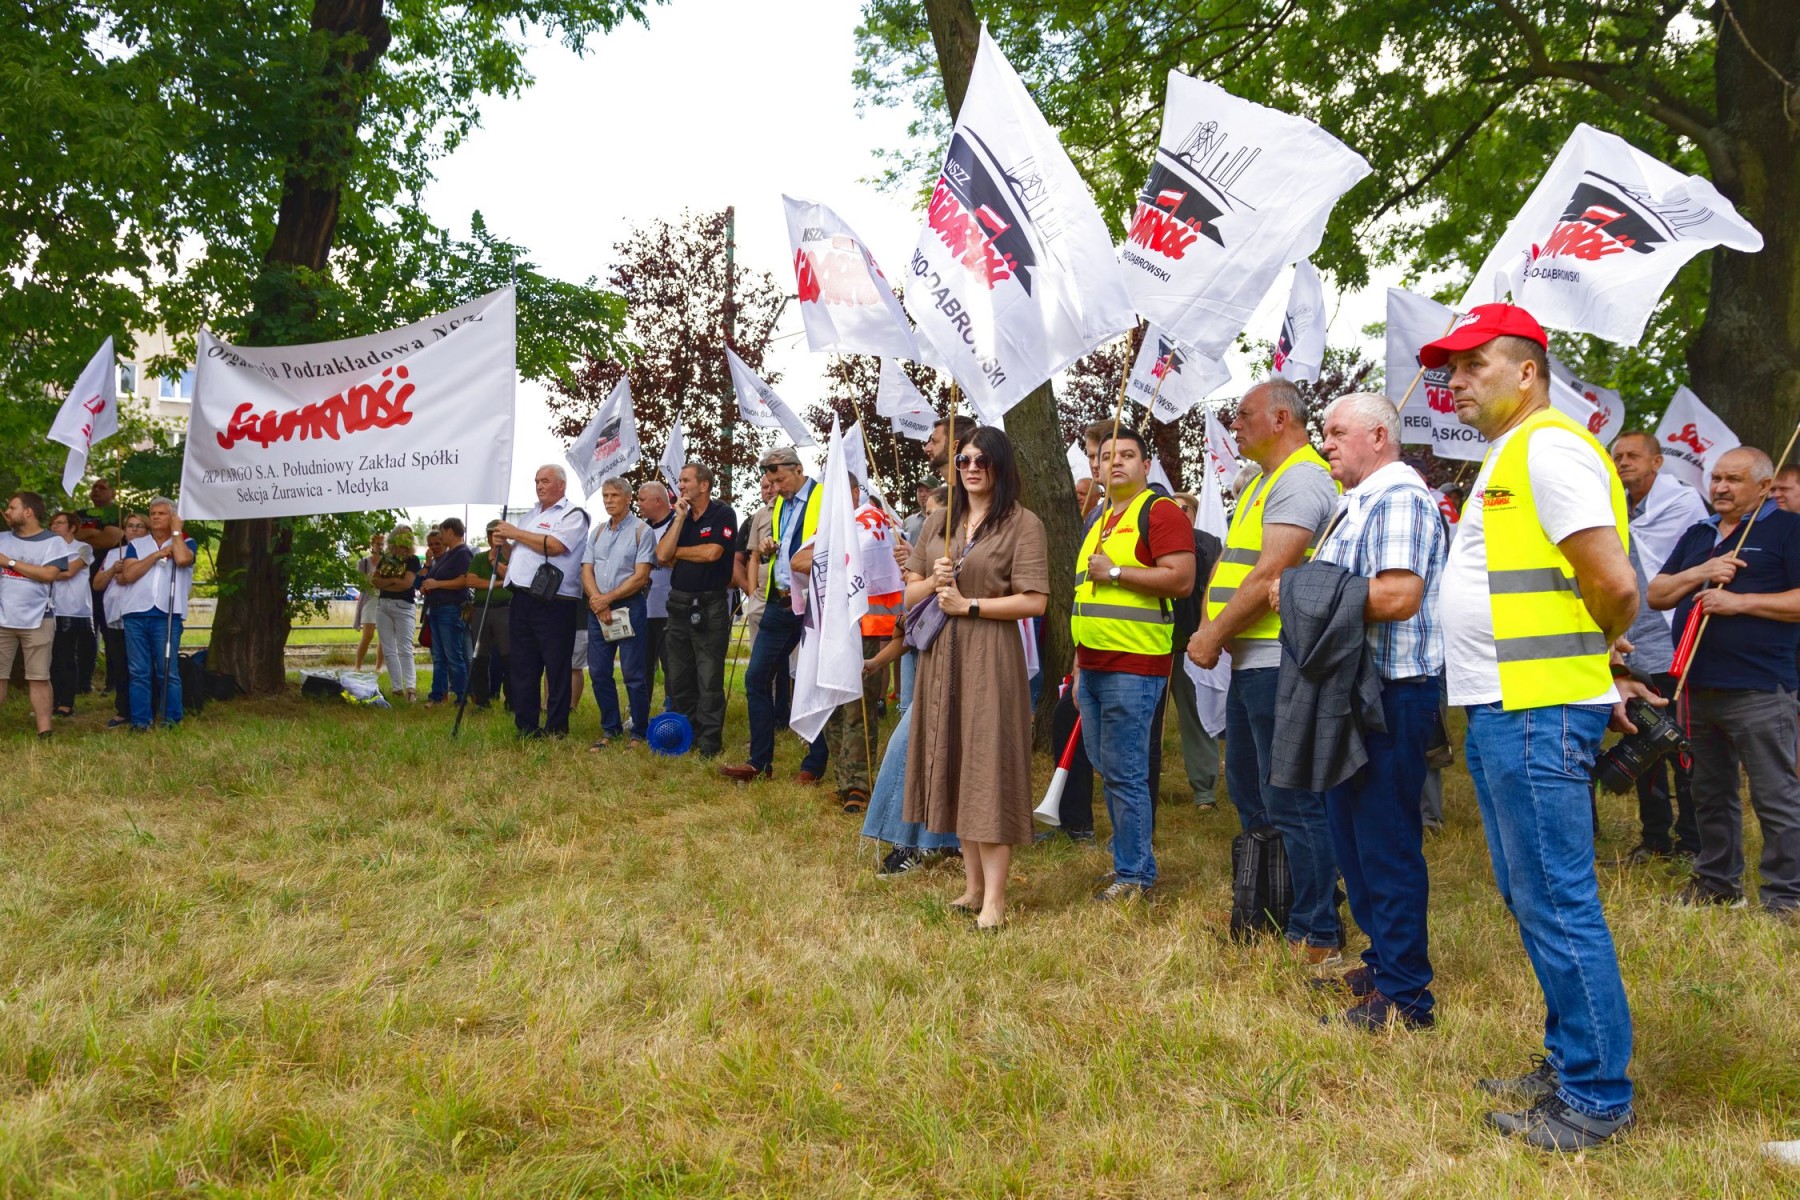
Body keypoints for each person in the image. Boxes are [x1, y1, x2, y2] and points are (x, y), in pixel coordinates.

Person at [1427, 303, 1650, 1150]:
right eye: (1450, 368)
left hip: (1536, 705)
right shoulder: (1513, 452)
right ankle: (1569, 1063)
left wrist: (1587, 655)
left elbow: (1614, 583)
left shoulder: (1547, 447)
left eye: (1473, 364)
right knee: (1533, 899)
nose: (1455, 380)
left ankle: (1595, 1098)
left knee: (1558, 901)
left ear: (1527, 372)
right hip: (1509, 703)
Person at [1272, 393, 1446, 1030]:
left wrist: (1296, 588)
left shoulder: (1399, 496)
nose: (1327, 443)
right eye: (1325, 433)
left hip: (1391, 694)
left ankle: (1404, 997)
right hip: (1354, 691)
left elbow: (1399, 595)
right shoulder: (1361, 501)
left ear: (1379, 435)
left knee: (1385, 841)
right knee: (1352, 837)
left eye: (1338, 432)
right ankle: (1382, 961)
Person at [1188, 378, 1342, 962]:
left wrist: (1213, 633)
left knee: (1291, 797)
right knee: (1252, 791)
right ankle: (1269, 907)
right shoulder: (1263, 481)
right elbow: (1234, 564)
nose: (1236, 424)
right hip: (1250, 659)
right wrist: (1217, 631)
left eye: (1245, 414)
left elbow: (1274, 570)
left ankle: (1317, 928)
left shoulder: (1301, 477)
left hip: (1280, 659)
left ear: (1281, 418)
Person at [905, 426, 1049, 930]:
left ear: (1000, 466)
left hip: (989, 653)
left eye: (981, 461)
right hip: (940, 654)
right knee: (955, 758)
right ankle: (972, 888)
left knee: (986, 765)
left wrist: (970, 605)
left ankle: (996, 899)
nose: (970, 468)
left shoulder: (1022, 524)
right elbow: (908, 596)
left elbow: (1034, 600)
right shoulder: (941, 521)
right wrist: (931, 580)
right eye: (963, 459)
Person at [1648, 446, 1800, 918]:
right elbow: (1656, 593)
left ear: (1762, 485)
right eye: (1716, 478)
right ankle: (1717, 884)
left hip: (1760, 687)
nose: (1720, 488)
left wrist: (1741, 604)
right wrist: (1701, 572)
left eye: (1733, 479)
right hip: (1696, 685)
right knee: (1708, 793)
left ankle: (1786, 896)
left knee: (1775, 796)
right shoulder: (1699, 533)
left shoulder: (1789, 529)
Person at [1072, 427, 1195, 900]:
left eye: (1126, 455)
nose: (1115, 462)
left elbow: (1181, 580)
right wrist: (1080, 664)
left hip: (1135, 664)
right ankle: (1128, 861)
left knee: (1125, 770)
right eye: (1106, 456)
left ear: (1146, 465)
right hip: (1095, 664)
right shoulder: (1100, 518)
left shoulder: (1158, 512)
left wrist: (1118, 571)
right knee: (1109, 765)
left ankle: (1136, 875)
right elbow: (1087, 596)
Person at [1611, 430, 1705, 863]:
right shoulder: (1612, 509)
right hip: (1632, 648)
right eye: (1618, 456)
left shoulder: (1683, 506)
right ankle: (1654, 839)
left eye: (1633, 455)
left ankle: (1692, 840)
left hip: (1673, 645)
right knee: (1642, 742)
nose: (1624, 462)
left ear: (1657, 462)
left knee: (1680, 746)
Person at [723, 447, 825, 782]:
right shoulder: (780, 503)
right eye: (771, 481)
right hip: (779, 603)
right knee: (755, 677)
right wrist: (770, 547)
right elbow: (784, 545)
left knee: (812, 681)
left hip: (815, 605)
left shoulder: (824, 496)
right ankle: (759, 762)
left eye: (780, 479)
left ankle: (814, 764)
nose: (776, 487)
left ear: (799, 469)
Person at [824, 479, 907, 812]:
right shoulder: (834, 523)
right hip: (839, 629)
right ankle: (845, 779)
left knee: (859, 707)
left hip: (874, 628)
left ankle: (859, 784)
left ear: (855, 492)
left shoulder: (871, 519)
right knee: (835, 708)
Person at [494, 465, 589, 739]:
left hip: (554, 601)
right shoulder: (530, 515)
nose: (539, 485)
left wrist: (515, 532)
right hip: (522, 597)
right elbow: (523, 551)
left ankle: (557, 726)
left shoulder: (573, 515)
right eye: (536, 481)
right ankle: (526, 726)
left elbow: (557, 546)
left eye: (545, 480)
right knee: (523, 664)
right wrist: (505, 545)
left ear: (561, 484)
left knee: (556, 665)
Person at [660, 463, 737, 757]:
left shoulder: (722, 513)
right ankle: (685, 734)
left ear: (703, 485)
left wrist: (678, 553)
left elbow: (712, 552)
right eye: (679, 481)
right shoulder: (680, 517)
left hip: (710, 606)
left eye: (685, 480)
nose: (680, 486)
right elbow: (661, 555)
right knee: (678, 676)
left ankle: (709, 740)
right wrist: (678, 520)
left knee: (708, 677)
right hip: (677, 605)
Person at [581, 476, 657, 748]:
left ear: (628, 498)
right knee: (599, 672)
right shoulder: (598, 531)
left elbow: (641, 577)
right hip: (597, 610)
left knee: (633, 674)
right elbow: (586, 569)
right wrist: (597, 601)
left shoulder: (641, 531)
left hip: (629, 607)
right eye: (605, 496)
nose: (609, 501)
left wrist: (607, 600)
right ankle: (610, 729)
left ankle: (639, 731)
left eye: (614, 496)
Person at [114, 496, 198, 731]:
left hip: (167, 614)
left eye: (162, 513)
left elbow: (182, 559)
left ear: (172, 516)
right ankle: (141, 721)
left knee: (167, 670)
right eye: (153, 513)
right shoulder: (138, 544)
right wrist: (154, 556)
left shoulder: (187, 542)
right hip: (136, 613)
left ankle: (171, 719)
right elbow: (129, 575)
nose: (155, 517)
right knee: (138, 671)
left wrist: (176, 533)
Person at [0, 492, 71, 738]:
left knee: (39, 676)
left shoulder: (54, 542)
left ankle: (45, 731)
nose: (7, 512)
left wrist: (9, 563)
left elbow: (49, 574)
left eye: (12, 507)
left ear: (28, 512)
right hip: (2, 617)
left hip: (40, 617)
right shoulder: (2, 538)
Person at [736, 475, 787, 727]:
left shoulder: (799, 509)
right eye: (764, 487)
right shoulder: (759, 516)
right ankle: (766, 720)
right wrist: (753, 591)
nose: (769, 490)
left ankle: (789, 716)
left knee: (793, 664)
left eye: (773, 485)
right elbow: (753, 558)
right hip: (763, 598)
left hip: (792, 598)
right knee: (761, 665)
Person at [92, 513, 147, 726]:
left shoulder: (152, 551)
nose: (133, 530)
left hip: (140, 614)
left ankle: (146, 707)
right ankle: (123, 709)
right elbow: (97, 584)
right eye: (130, 526)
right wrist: (112, 570)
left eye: (139, 526)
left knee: (140, 665)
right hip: (115, 616)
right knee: (120, 664)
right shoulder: (114, 553)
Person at [45, 512, 97, 718]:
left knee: (67, 656)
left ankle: (66, 702)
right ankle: (52, 700)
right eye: (52, 523)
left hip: (73, 610)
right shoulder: (48, 549)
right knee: (52, 658)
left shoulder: (83, 548)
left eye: (59, 523)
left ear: (72, 527)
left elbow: (68, 572)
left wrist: (41, 572)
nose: (54, 527)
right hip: (50, 607)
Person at [418, 517, 474, 706]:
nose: (441, 536)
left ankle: (461, 695)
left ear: (450, 531)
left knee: (453, 656)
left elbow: (464, 580)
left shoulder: (463, 553)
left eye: (442, 532)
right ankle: (437, 694)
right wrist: (427, 585)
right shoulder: (449, 554)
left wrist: (437, 584)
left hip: (450, 609)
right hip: (436, 609)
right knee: (439, 656)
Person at [369, 523, 422, 701]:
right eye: (402, 534)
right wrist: (394, 582)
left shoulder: (413, 560)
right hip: (383, 606)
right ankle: (396, 689)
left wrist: (388, 580)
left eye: (409, 535)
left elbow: (407, 584)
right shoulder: (386, 558)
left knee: (405, 649)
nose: (405, 538)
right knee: (389, 649)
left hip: (404, 606)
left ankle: (411, 689)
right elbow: (374, 582)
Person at [637, 481, 675, 701]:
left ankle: (671, 711)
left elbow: (668, 558)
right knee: (640, 667)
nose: (638, 504)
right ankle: (638, 713)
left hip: (669, 608)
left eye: (642, 499)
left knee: (671, 666)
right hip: (642, 608)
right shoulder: (640, 527)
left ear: (658, 500)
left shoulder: (679, 524)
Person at [466, 521, 510, 710]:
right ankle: (482, 700)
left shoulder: (512, 557)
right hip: (481, 608)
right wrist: (498, 583)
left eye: (498, 533)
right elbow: (470, 581)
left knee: (509, 656)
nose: (494, 537)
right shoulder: (478, 558)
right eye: (491, 534)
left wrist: (494, 562)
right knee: (480, 656)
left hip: (504, 609)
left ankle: (512, 700)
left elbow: (511, 577)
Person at [354, 531, 384, 672]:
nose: (380, 546)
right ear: (372, 544)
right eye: (378, 543)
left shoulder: (389, 561)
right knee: (368, 635)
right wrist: (371, 579)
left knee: (384, 637)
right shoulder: (364, 562)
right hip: (369, 599)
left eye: (383, 544)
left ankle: (378, 668)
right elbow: (360, 584)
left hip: (384, 599)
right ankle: (357, 666)